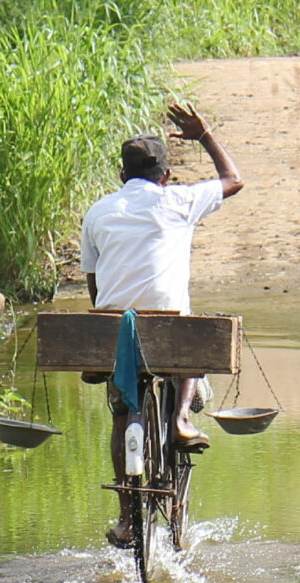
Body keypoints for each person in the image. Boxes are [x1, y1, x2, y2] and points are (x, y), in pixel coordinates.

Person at [80, 103, 244, 548]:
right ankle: (182, 418)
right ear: (166, 176)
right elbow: (234, 180)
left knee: (121, 414)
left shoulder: (98, 211)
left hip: (117, 332)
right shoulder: (179, 200)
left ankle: (128, 520)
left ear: (121, 175)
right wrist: (206, 134)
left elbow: (94, 286)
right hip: (170, 333)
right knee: (188, 330)